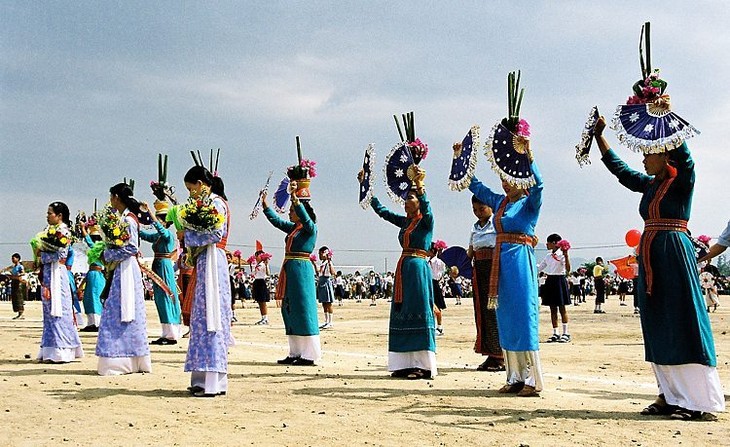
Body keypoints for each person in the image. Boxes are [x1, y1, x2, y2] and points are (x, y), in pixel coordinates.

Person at [594, 115, 724, 420]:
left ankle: (698, 402)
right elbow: (622, 172)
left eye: (647, 152)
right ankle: (669, 394)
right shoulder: (651, 185)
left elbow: (686, 157)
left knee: (682, 320)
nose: (642, 157)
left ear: (664, 153)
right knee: (657, 325)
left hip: (674, 256)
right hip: (652, 258)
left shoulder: (682, 180)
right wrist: (600, 138)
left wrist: (664, 115)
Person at [467, 152, 544, 397]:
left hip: (520, 260)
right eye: (503, 178)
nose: (505, 183)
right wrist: (462, 160)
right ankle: (514, 376)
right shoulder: (500, 203)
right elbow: (476, 186)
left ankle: (533, 379)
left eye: (510, 178)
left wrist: (528, 156)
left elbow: (539, 184)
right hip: (500, 264)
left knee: (523, 317)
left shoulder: (530, 202)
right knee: (506, 319)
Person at [362, 166, 437, 380]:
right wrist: (368, 190)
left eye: (410, 198)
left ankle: (422, 366)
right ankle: (403, 363)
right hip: (404, 269)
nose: (406, 201)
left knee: (418, 309)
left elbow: (428, 209)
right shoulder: (406, 222)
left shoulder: (425, 222)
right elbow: (384, 213)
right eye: (406, 198)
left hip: (417, 268)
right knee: (402, 311)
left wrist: (420, 187)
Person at [182, 165, 234, 397]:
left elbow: (215, 233)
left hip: (214, 260)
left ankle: (213, 380)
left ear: (201, 185)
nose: (190, 194)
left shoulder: (216, 204)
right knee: (202, 317)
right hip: (205, 261)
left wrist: (187, 235)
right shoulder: (206, 204)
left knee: (211, 317)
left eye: (191, 189)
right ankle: (202, 378)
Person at [262, 180, 321, 366]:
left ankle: (309, 354)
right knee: (289, 309)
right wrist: (266, 207)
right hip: (290, 270)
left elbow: (305, 218)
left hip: (301, 271)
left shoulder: (309, 228)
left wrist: (295, 199)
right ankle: (295, 351)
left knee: (304, 309)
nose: (289, 212)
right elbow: (278, 222)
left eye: (292, 210)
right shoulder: (294, 229)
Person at [96, 183, 151, 375]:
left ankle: (120, 360)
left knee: (120, 309)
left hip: (127, 268)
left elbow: (132, 248)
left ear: (117, 197)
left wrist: (107, 254)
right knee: (119, 309)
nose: (110, 200)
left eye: (111, 197)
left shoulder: (128, 220)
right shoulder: (123, 218)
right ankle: (125, 359)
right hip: (122, 269)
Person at [36, 202, 84, 362]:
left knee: (60, 309)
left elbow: (60, 254)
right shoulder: (49, 231)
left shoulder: (63, 232)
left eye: (50, 213)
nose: (47, 215)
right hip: (50, 273)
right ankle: (50, 349)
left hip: (58, 272)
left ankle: (62, 349)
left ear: (59, 216)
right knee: (49, 310)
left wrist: (42, 256)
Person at [467, 195, 504, 372]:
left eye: (481, 209)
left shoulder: (498, 224)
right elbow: (470, 253)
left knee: (495, 311)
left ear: (490, 207)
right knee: (483, 312)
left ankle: (502, 356)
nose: (478, 213)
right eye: (475, 210)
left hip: (495, 269)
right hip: (479, 272)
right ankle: (491, 353)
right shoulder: (474, 229)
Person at [139, 201, 182, 345]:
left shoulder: (167, 234)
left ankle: (171, 333)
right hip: (158, 266)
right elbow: (145, 235)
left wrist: (150, 213)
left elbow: (158, 228)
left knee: (165, 296)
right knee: (160, 299)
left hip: (164, 266)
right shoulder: (157, 236)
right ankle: (166, 332)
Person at [538, 234, 572, 343]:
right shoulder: (548, 256)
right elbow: (540, 268)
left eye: (548, 242)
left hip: (560, 280)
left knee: (562, 308)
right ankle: (555, 333)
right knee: (552, 308)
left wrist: (566, 256)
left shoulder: (562, 255)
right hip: (550, 280)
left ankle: (566, 333)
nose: (546, 244)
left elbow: (568, 269)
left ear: (554, 243)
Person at [79, 224, 105, 331]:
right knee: (89, 298)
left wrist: (82, 229)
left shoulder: (99, 247)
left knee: (94, 298)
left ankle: (96, 323)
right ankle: (91, 322)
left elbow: (88, 241)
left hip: (95, 274)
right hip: (93, 274)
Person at [428, 243, 447, 336]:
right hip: (428, 283)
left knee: (436, 307)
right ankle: (433, 325)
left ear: (432, 251)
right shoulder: (428, 261)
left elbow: (440, 273)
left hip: (434, 283)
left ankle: (439, 327)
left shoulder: (438, 262)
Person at [316, 246, 336, 329]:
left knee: (328, 302)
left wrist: (329, 261)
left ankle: (330, 321)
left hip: (326, 281)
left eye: (320, 254)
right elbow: (318, 273)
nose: (319, 256)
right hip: (321, 281)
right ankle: (326, 321)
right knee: (324, 303)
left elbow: (333, 272)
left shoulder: (328, 263)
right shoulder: (323, 263)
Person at [251, 250, 272, 325]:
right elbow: (253, 274)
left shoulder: (263, 264)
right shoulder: (257, 265)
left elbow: (268, 273)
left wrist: (266, 264)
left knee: (263, 301)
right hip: (256, 282)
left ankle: (265, 318)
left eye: (259, 255)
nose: (257, 257)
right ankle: (263, 317)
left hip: (261, 282)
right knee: (259, 301)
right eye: (257, 256)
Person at [9, 253, 25, 320]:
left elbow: (23, 273)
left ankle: (21, 313)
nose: (12, 260)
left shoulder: (20, 266)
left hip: (18, 282)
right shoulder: (13, 267)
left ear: (17, 258)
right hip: (13, 282)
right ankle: (18, 313)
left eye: (13, 258)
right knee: (15, 298)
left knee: (19, 298)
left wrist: (18, 275)